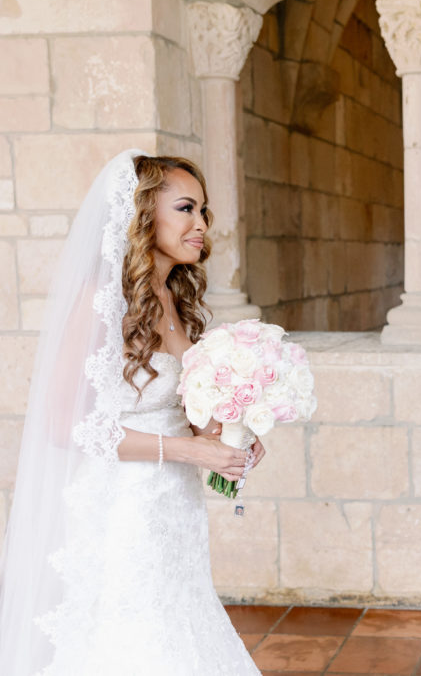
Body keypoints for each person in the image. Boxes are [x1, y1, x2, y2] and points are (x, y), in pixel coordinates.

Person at [0, 151, 267, 674]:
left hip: (175, 508)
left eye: (204, 211)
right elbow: (65, 426)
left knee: (180, 620)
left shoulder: (172, 296)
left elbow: (187, 413)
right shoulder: (100, 301)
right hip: (122, 507)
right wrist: (188, 448)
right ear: (143, 216)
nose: (201, 224)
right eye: (186, 208)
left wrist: (233, 433)